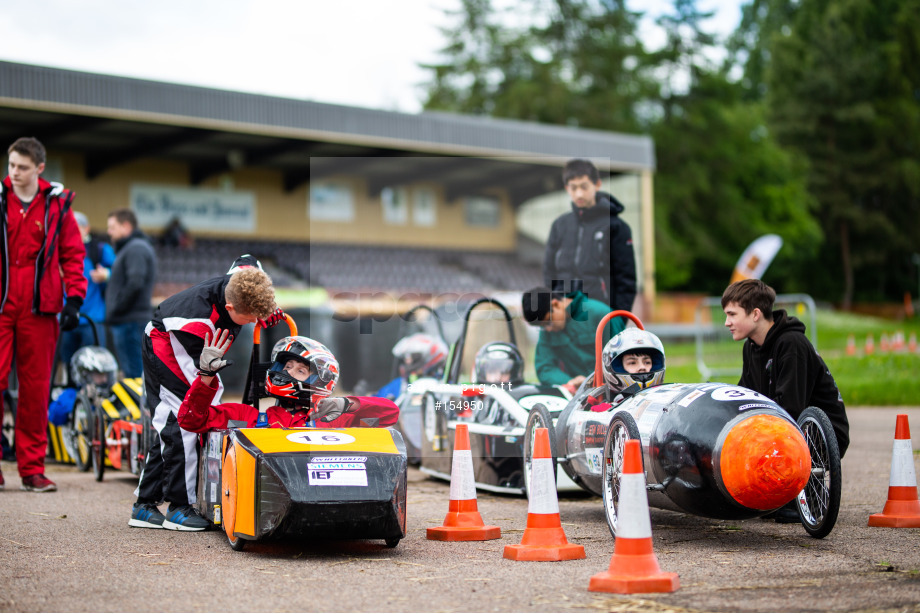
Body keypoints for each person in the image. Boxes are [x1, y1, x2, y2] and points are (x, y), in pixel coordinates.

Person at [129, 256, 282, 531]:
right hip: (167, 342)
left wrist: (267, 309)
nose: (252, 323)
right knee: (183, 420)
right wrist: (206, 374)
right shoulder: (198, 319)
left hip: (200, 346)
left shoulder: (246, 278)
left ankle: (144, 503)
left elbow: (246, 261)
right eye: (249, 319)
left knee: (199, 415)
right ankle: (179, 506)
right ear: (230, 306)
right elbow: (196, 389)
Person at [722, 279, 850, 523]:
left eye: (732, 314)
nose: (726, 322)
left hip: (821, 432)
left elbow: (791, 408)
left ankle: (802, 492)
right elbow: (745, 396)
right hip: (783, 426)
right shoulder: (751, 347)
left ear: (755, 314)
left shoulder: (792, 344)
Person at [0, 136, 86, 492]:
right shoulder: (0, 199)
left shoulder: (58, 206)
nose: (13, 173)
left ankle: (32, 469)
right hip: (2, 305)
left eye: (21, 167)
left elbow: (72, 255)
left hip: (40, 309)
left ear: (39, 168)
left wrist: (75, 300)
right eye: (10, 165)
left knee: (36, 391)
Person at [177, 330, 398, 432]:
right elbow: (191, 421)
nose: (288, 372)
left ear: (319, 384)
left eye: (300, 370)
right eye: (287, 366)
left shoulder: (332, 422)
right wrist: (206, 376)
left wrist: (344, 404)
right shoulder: (248, 418)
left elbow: (390, 413)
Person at [543, 158, 637, 311]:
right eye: (573, 188)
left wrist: (618, 320)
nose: (579, 193)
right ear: (567, 188)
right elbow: (548, 270)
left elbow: (626, 280)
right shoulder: (559, 225)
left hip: (599, 314)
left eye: (584, 187)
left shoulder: (617, 227)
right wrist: (555, 305)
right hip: (564, 315)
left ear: (597, 184)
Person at [521, 286, 624, 391]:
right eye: (542, 327)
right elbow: (544, 368)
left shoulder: (601, 314)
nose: (548, 329)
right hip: (578, 395)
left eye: (549, 322)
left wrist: (599, 381)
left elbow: (623, 359)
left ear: (555, 304)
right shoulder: (547, 332)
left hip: (613, 389)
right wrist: (569, 382)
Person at [59, 212, 116, 370]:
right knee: (67, 364)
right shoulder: (60, 250)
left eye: (76, 228)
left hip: (92, 320)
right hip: (66, 317)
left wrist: (107, 274)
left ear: (87, 229)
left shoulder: (99, 250)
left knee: (95, 366)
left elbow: (118, 271)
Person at [106, 208, 156, 379]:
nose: (109, 232)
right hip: (128, 321)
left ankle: (135, 406)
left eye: (112, 227)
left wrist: (117, 308)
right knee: (131, 373)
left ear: (126, 226)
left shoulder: (136, 248)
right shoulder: (131, 248)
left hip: (130, 322)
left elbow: (135, 283)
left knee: (133, 375)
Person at [600, 328, 667, 404]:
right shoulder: (603, 409)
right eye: (632, 363)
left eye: (647, 362)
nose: (642, 367)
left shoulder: (665, 399)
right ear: (618, 367)